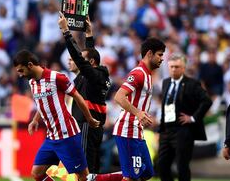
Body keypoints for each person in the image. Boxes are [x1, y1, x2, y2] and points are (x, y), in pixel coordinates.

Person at [13, 50, 102, 181]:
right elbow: (42, 102)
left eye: (21, 70)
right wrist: (35, 120)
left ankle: (120, 176)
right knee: (37, 173)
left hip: (68, 136)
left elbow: (77, 96)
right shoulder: (32, 82)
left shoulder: (56, 77)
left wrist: (89, 118)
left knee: (83, 177)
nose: (20, 75)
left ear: (30, 65)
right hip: (51, 137)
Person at [58, 12, 111, 173]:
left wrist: (66, 32)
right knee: (91, 165)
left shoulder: (92, 75)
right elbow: (90, 56)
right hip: (91, 125)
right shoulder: (95, 75)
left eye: (78, 59)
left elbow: (83, 59)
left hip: (87, 125)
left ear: (91, 63)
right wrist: (89, 35)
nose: (73, 61)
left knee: (85, 167)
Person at [112, 37, 166, 181]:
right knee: (131, 176)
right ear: (149, 53)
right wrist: (138, 113)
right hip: (127, 130)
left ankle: (101, 178)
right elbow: (119, 96)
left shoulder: (148, 75)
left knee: (146, 172)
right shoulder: (138, 73)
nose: (162, 59)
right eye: (160, 54)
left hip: (137, 132)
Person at [157, 53, 212, 181]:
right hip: (166, 130)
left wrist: (193, 118)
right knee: (162, 164)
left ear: (183, 68)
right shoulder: (165, 82)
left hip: (183, 129)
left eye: (177, 66)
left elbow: (207, 101)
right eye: (171, 66)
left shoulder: (192, 83)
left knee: (182, 165)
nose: (174, 69)